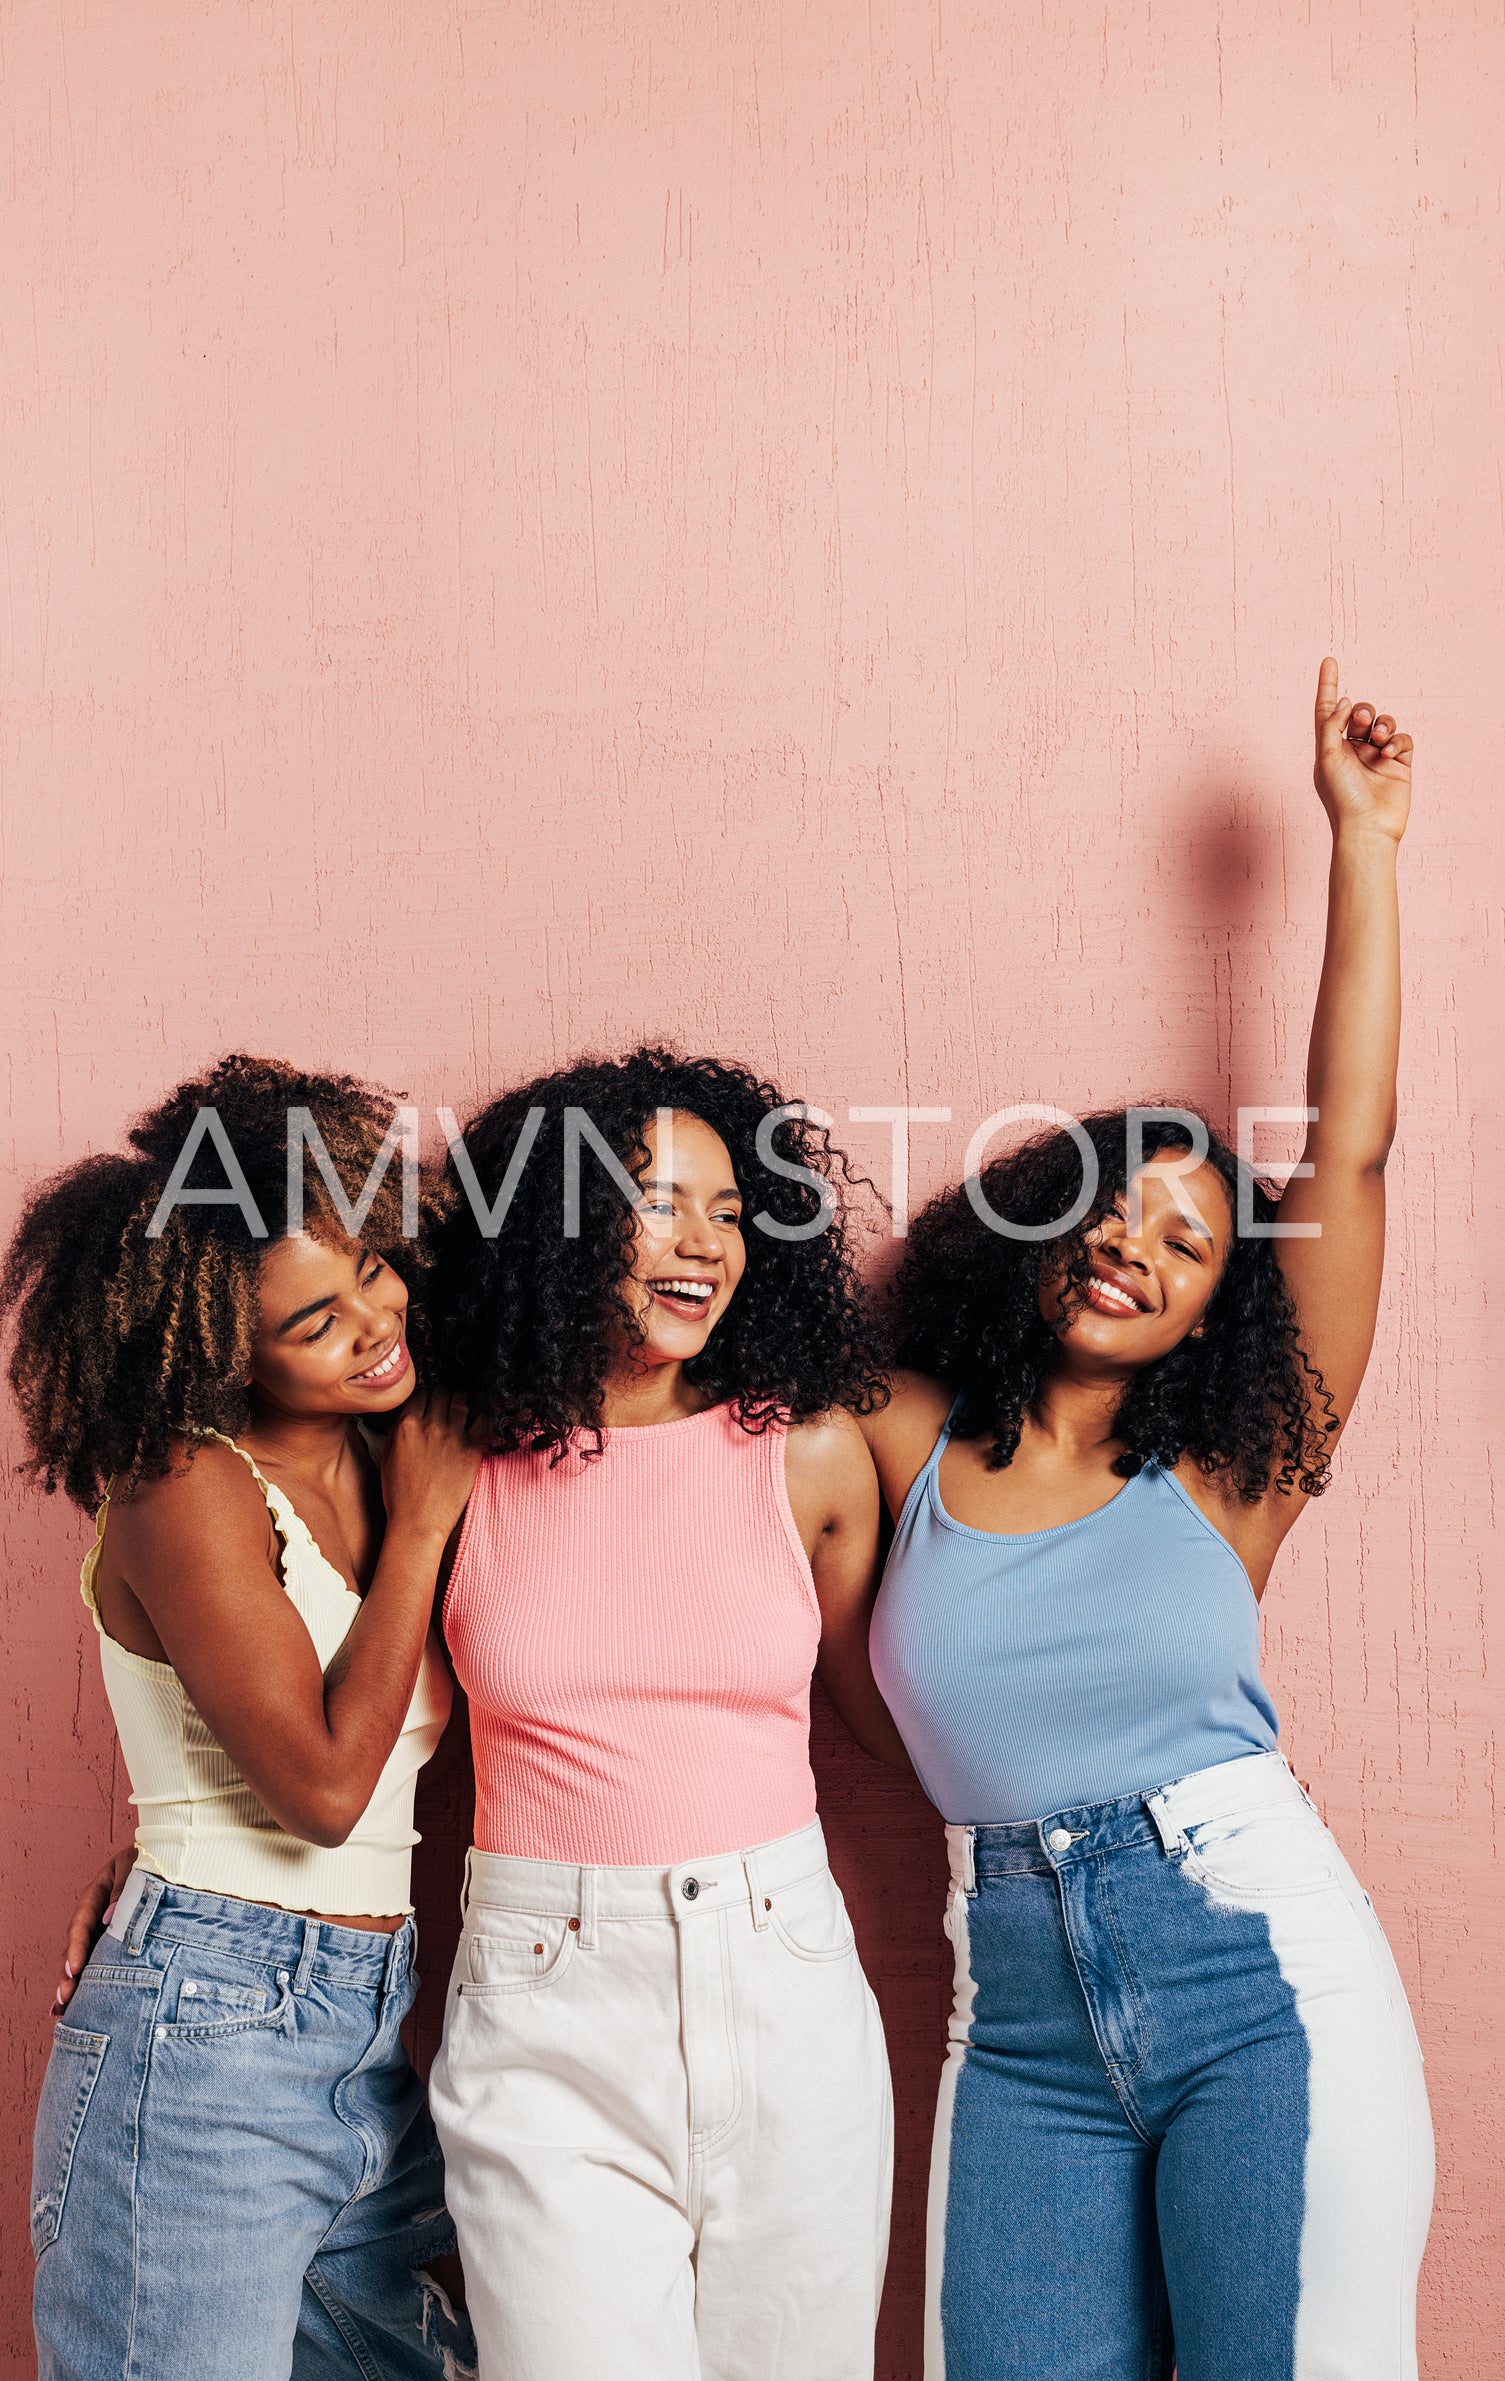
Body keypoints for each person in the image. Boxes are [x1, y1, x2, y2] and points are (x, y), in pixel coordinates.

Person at [864, 661, 1434, 2381]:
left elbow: (1345, 1162)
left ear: (1212, 1314)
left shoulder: (1230, 1474)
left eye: (1187, 1245)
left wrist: (1364, 843)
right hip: (1019, 2023)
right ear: (1042, 1226)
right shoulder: (899, 1446)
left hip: (1258, 1972)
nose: (1136, 1247)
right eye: (1112, 1211)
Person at [420, 1049, 906, 2381]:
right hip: (544, 1998)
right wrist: (163, 1847)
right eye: (656, 1202)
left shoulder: (802, 1450)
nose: (701, 1243)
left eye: (729, 1211)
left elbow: (897, 1718)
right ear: (564, 1225)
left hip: (780, 1971)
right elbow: (343, 1699)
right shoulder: (453, 1458)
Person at [5, 1055, 481, 2381]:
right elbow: (324, 1788)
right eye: (312, 1324)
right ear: (219, 1345)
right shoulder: (187, 1483)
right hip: (204, 2034)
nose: (374, 1324)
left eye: (372, 1272)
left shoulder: (393, 1438)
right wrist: (428, 1526)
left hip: (364, 2018)